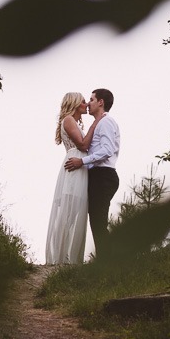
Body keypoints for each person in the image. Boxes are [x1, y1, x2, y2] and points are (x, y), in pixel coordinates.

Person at [65, 89, 120, 261]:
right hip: (97, 176)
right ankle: (107, 261)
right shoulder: (99, 123)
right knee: (96, 220)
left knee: (98, 220)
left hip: (103, 176)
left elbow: (107, 150)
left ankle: (108, 262)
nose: (88, 103)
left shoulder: (106, 122)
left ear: (101, 102)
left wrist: (82, 161)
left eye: (91, 99)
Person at [45, 92, 101, 265]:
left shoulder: (73, 122)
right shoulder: (69, 120)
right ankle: (59, 258)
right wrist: (96, 123)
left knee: (72, 215)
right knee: (68, 214)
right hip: (74, 167)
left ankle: (66, 257)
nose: (86, 104)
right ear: (75, 104)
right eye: (83, 101)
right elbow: (83, 144)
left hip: (80, 167)